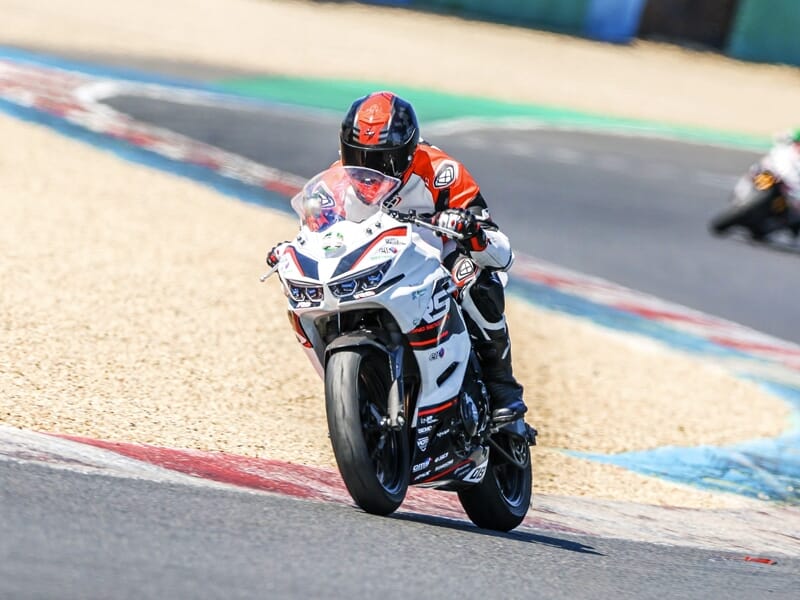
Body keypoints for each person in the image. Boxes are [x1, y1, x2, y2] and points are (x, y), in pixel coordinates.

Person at [268, 91, 527, 422]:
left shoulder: (441, 171)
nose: (368, 171)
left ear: (408, 152)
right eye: (357, 156)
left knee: (475, 279)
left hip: (434, 255)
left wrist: (470, 230)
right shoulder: (335, 183)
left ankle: (501, 384)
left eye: (381, 161)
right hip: (374, 261)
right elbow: (315, 233)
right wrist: (290, 250)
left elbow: (500, 251)